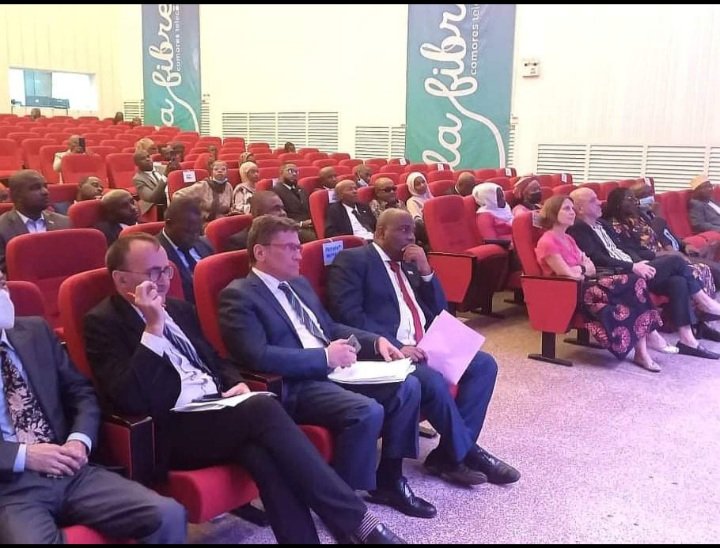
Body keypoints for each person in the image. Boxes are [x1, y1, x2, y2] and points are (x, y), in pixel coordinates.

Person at [84, 234, 405, 544]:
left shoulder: (179, 310)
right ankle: (357, 522)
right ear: (121, 279)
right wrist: (153, 328)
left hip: (217, 410)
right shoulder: (102, 322)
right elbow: (128, 396)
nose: (165, 280)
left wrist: (234, 382)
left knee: (263, 456)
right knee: (262, 406)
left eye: (166, 270)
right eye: (153, 273)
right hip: (168, 428)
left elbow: (215, 359)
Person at [218, 215, 436, 519]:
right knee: (366, 411)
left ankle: (390, 480)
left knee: (408, 385)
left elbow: (329, 327)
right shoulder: (239, 295)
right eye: (290, 248)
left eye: (299, 247)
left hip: (335, 368)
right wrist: (323, 358)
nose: (299, 254)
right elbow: (257, 356)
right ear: (260, 252)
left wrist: (376, 342)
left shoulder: (299, 284)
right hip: (297, 383)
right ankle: (342, 504)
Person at [326, 208, 520, 485]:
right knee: (430, 380)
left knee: (483, 365)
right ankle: (469, 453)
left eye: (413, 231)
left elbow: (440, 310)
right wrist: (396, 345)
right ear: (380, 233)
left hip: (425, 343)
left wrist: (427, 272)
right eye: (403, 230)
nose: (411, 237)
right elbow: (347, 316)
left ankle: (447, 456)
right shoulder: (354, 260)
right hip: (388, 351)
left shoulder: (409, 263)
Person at [0, 272, 186, 544]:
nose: (3, 294)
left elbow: (81, 393)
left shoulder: (35, 331)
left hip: (71, 467)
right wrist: (24, 456)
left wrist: (79, 440)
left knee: (168, 514)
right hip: (10, 486)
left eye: (2, 284)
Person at [568, 187, 720, 359]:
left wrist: (650, 259)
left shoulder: (602, 224)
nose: (599, 203)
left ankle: (688, 340)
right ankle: (706, 303)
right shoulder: (578, 228)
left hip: (635, 266)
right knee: (676, 261)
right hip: (619, 275)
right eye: (593, 200)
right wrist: (632, 267)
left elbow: (628, 247)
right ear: (580, 208)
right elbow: (596, 258)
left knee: (678, 281)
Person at [537, 196, 665, 371]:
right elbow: (567, 274)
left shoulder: (568, 239)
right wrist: (582, 268)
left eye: (572, 208)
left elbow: (590, 267)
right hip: (570, 292)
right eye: (566, 209)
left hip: (589, 284)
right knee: (634, 282)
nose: (572, 212)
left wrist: (581, 269)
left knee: (635, 289)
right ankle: (647, 340)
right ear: (553, 213)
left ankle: (642, 351)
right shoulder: (547, 241)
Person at [604, 187, 720, 342]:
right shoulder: (615, 225)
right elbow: (632, 252)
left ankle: (698, 326)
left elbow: (662, 234)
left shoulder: (641, 217)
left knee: (681, 280)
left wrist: (679, 245)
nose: (635, 202)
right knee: (685, 265)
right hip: (644, 264)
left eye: (635, 199)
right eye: (629, 199)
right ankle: (705, 304)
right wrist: (663, 254)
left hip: (660, 259)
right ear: (618, 203)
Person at [632, 180, 720, 287]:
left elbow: (670, 234)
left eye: (650, 194)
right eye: (645, 196)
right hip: (671, 257)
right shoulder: (640, 219)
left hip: (681, 250)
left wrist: (685, 245)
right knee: (715, 269)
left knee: (712, 251)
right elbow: (654, 236)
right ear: (636, 200)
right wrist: (658, 216)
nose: (650, 198)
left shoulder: (651, 213)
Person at [0, 170, 71, 272]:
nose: (45, 192)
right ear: (16, 195)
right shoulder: (2, 228)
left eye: (45, 186)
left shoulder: (64, 223)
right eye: (35, 188)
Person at [157, 198, 214, 304]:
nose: (194, 237)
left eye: (198, 231)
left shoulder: (204, 244)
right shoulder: (155, 253)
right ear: (169, 224)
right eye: (188, 231)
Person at [273, 163, 317, 242]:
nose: (294, 174)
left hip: (310, 224)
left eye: (296, 172)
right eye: (290, 171)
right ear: (281, 172)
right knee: (312, 238)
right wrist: (300, 224)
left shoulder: (301, 189)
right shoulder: (275, 191)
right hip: (292, 227)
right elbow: (278, 217)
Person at [132, 150, 168, 217]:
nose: (147, 159)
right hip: (159, 206)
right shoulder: (138, 179)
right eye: (143, 158)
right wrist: (164, 177)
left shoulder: (163, 168)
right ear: (137, 164)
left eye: (148, 156)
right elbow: (152, 198)